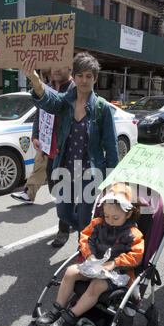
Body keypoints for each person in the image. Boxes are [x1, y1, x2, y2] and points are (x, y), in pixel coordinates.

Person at [21, 52, 119, 234]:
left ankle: (84, 249)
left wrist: (111, 183)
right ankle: (89, 236)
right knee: (64, 214)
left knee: (83, 216)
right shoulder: (65, 102)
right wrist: (34, 78)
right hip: (65, 169)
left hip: (90, 173)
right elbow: (47, 100)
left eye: (88, 76)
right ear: (74, 76)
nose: (83, 80)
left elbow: (112, 149)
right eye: (80, 75)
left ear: (95, 79)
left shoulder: (102, 107)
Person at [36, 183, 145, 326]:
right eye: (106, 216)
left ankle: (69, 317)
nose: (110, 220)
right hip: (94, 265)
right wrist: (90, 255)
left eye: (115, 218)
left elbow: (136, 255)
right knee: (70, 272)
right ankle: (56, 309)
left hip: (116, 274)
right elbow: (86, 239)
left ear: (128, 214)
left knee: (96, 286)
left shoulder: (133, 233)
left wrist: (114, 263)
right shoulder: (98, 224)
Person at [11, 67, 76, 248]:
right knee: (55, 189)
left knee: (64, 193)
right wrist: (35, 135)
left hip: (66, 151)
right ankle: (74, 211)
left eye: (59, 67)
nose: (55, 71)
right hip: (49, 149)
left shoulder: (74, 90)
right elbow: (39, 113)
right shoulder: (46, 88)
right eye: (52, 68)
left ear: (68, 68)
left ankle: (63, 230)